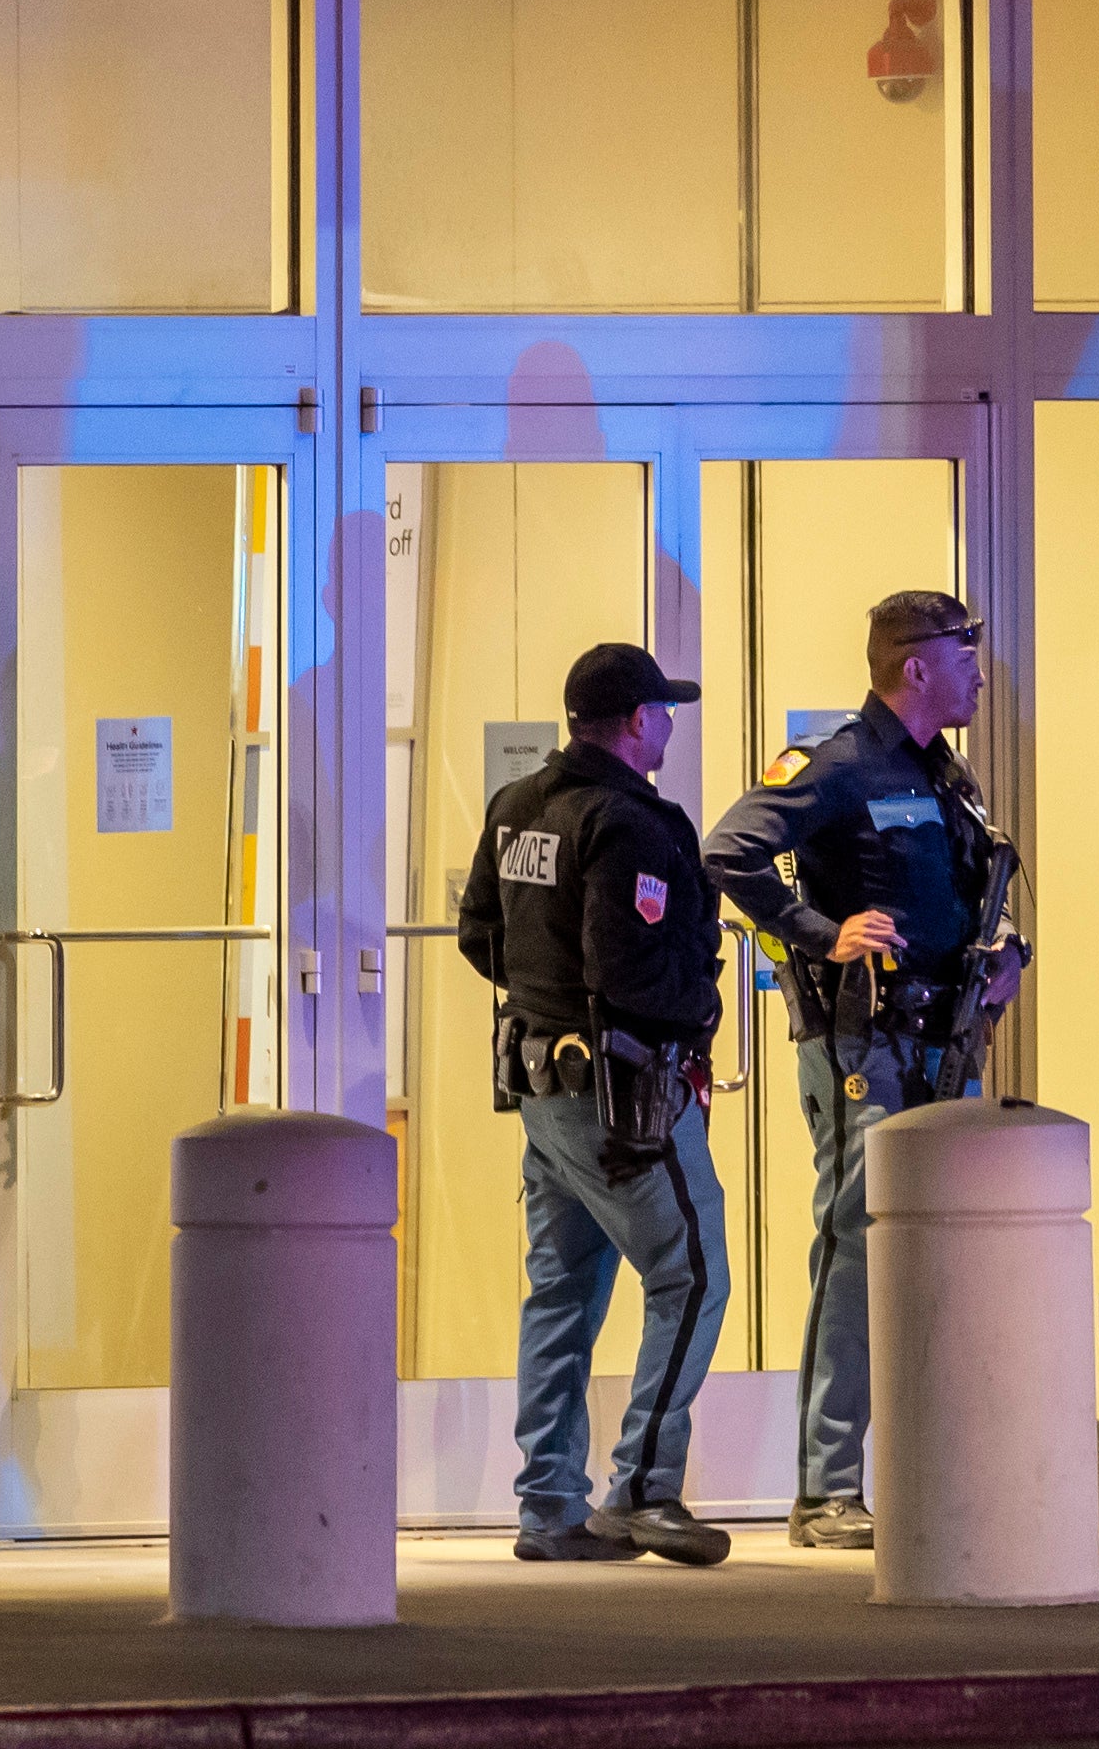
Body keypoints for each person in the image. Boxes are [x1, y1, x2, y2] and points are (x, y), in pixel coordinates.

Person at [701, 590, 1025, 1550]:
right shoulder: (837, 764)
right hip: (862, 1044)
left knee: (932, 1254)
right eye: (965, 656)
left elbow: (971, 890)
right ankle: (825, 1488)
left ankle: (926, 1469)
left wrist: (1007, 952)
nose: (978, 671)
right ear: (915, 666)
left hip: (942, 1039)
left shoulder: (948, 774)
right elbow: (728, 851)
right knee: (854, 1247)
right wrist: (817, 932)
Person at [456, 642, 732, 1566]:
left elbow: (477, 934)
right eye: (664, 712)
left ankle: (548, 1507)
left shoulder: (517, 806)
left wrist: (542, 1003)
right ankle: (644, 1491)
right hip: (624, 1097)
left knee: (562, 1295)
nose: (669, 726)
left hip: (545, 1094)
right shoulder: (632, 824)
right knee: (691, 1275)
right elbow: (633, 970)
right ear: (636, 721)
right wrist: (697, 1008)